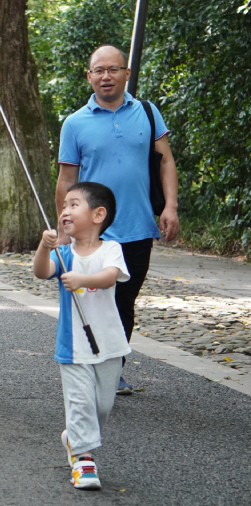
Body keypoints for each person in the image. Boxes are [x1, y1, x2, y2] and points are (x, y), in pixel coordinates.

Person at [56, 44, 180, 394]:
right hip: (92, 232)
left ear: (127, 73)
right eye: (99, 70)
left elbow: (166, 161)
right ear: (89, 76)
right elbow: (66, 179)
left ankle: (112, 369)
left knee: (123, 302)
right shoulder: (75, 123)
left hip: (138, 227)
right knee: (93, 299)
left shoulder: (148, 113)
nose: (106, 76)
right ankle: (89, 364)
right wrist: (64, 227)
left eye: (113, 69)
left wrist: (170, 206)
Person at [32, 181, 131, 491]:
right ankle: (83, 459)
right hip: (73, 346)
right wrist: (44, 247)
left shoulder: (111, 249)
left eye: (74, 205)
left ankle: (74, 437)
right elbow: (41, 271)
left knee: (101, 406)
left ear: (98, 215)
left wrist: (82, 279)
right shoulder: (63, 254)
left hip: (109, 344)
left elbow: (110, 277)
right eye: (64, 206)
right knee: (80, 403)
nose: (65, 211)